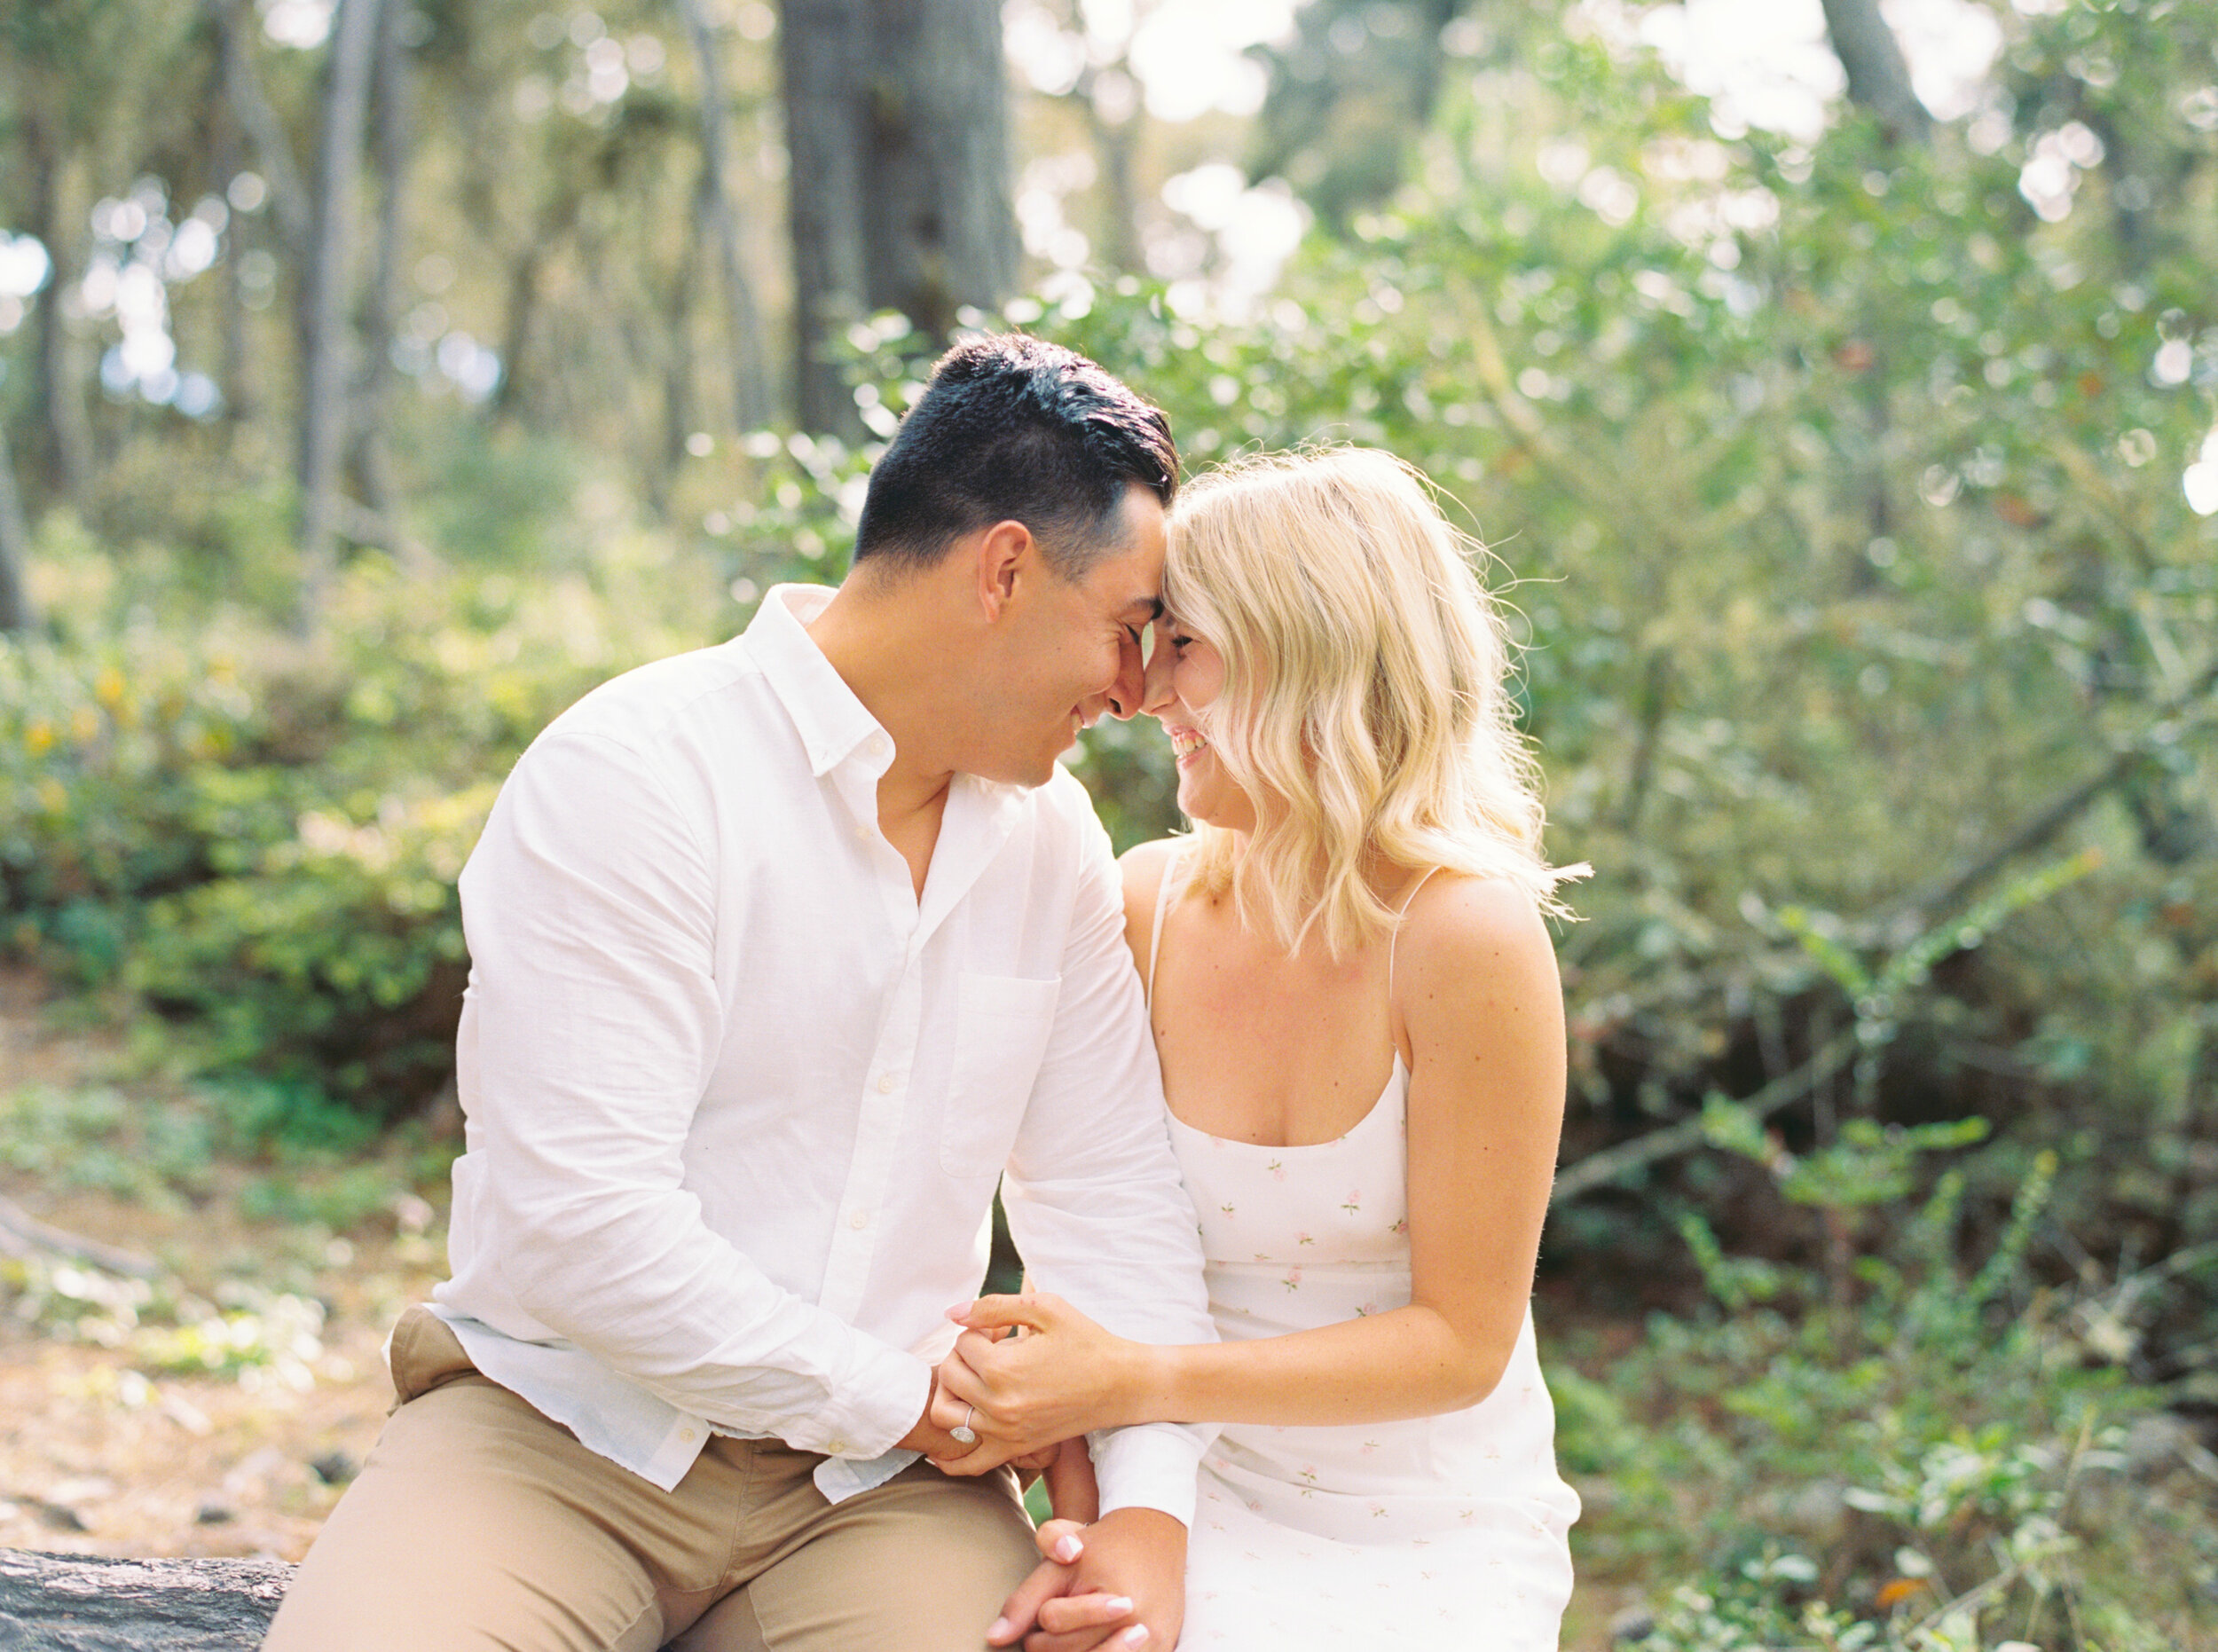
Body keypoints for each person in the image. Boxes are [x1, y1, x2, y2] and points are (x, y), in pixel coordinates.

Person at [263, 334, 1219, 1652]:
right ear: (1003, 568)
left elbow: (1114, 1199)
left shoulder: (1052, 847)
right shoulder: (640, 773)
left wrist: (1147, 1514)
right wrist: (910, 1395)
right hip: (562, 1433)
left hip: (877, 1503)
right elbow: (582, 1227)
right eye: (1124, 629)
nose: (1131, 688)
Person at [931, 447, 1585, 1649]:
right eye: (1148, 639)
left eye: (1184, 643)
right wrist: (1089, 1535)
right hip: (1175, 1478)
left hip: (1424, 1523)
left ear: (1310, 650)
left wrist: (1134, 1380)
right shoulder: (1139, 909)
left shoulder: (1466, 936)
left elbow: (1460, 1342)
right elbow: (1085, 1249)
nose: (1143, 690)